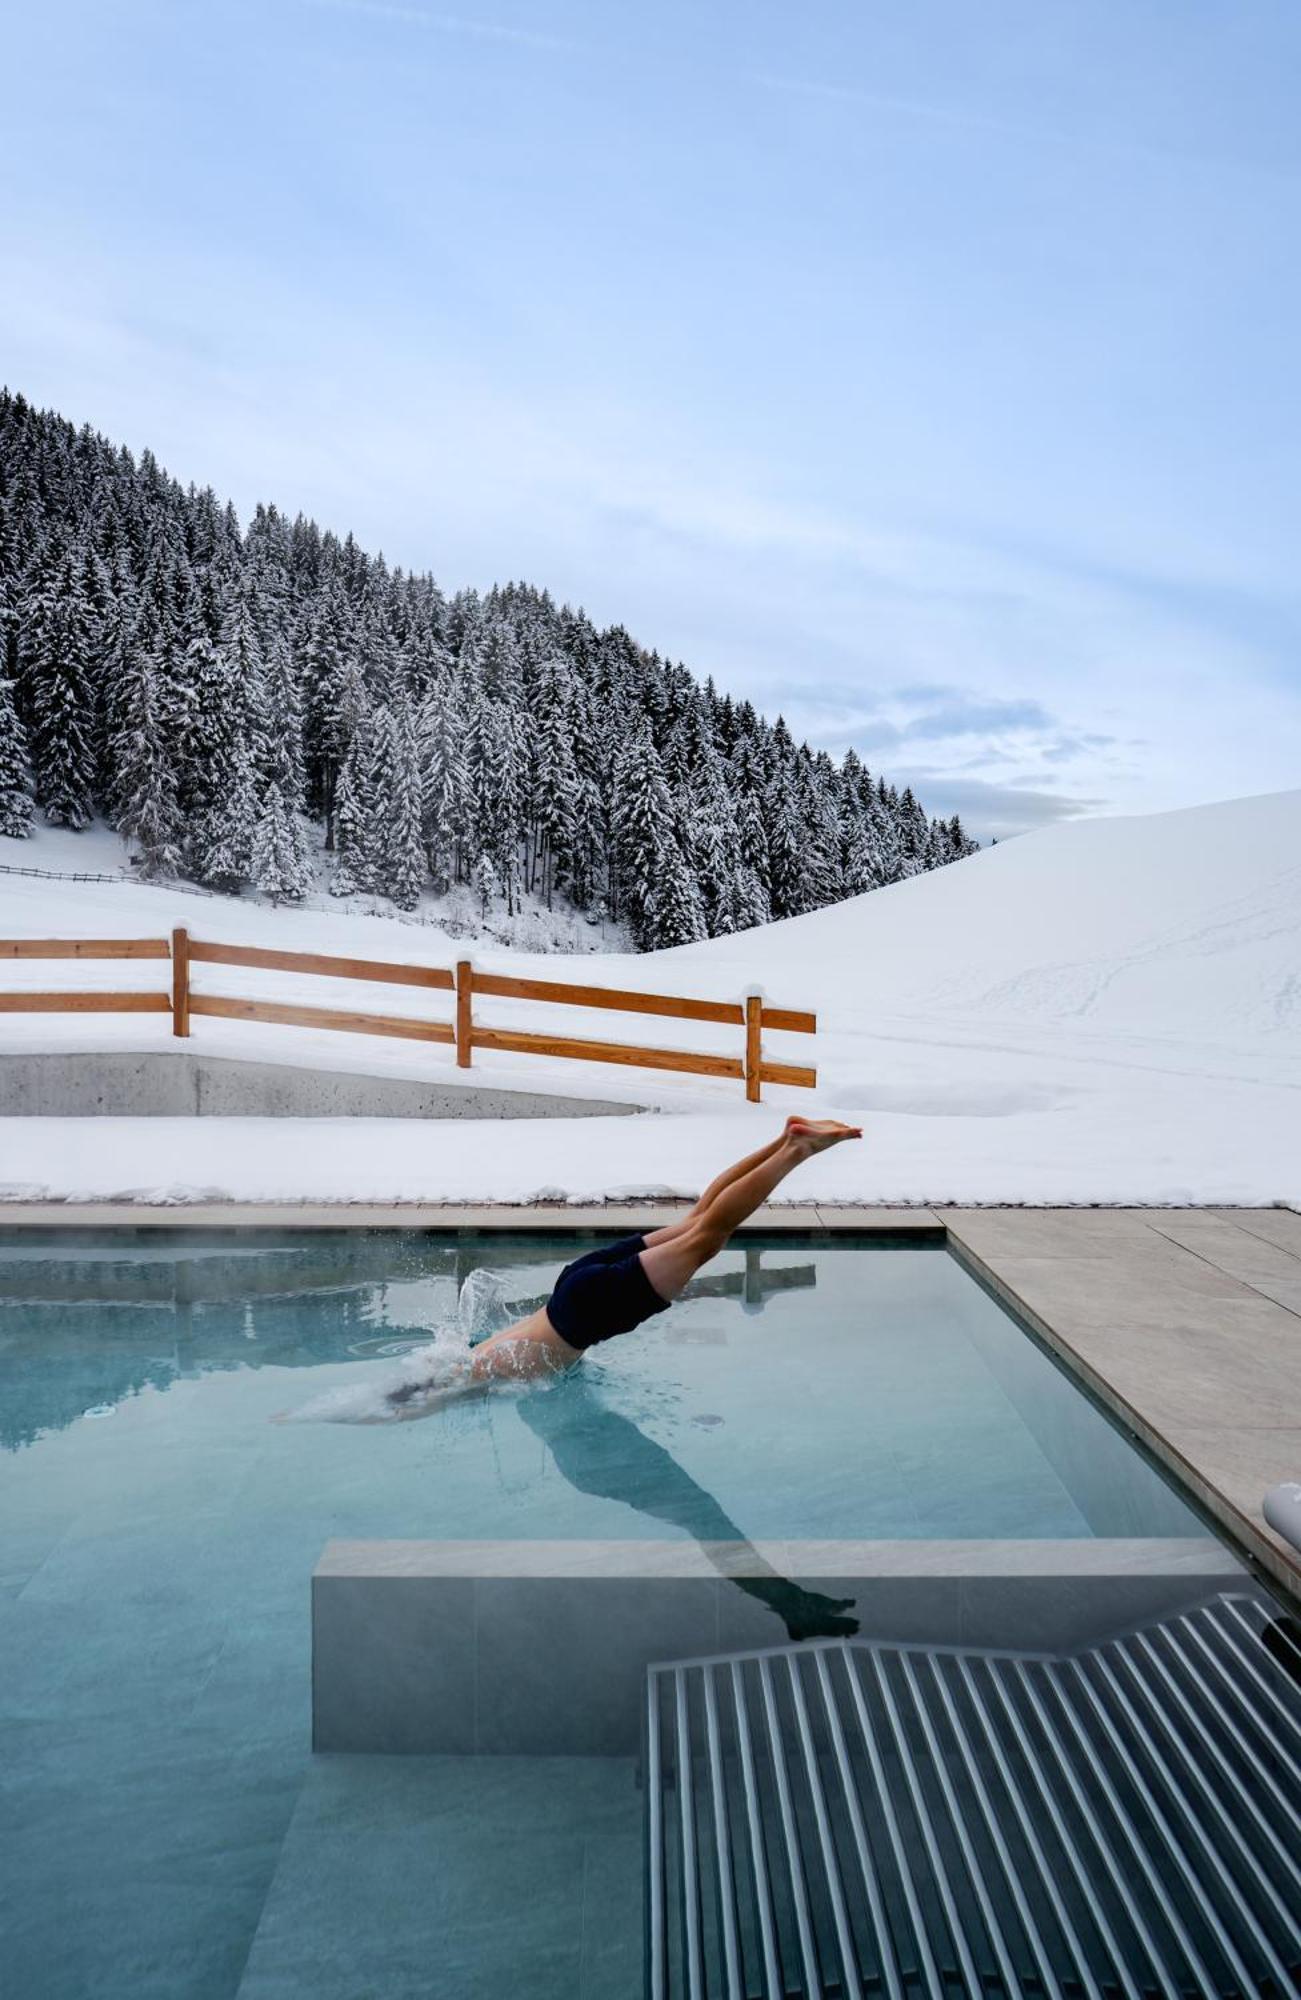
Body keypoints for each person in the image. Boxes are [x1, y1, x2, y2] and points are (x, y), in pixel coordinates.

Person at [466, 1114, 860, 1386]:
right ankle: (784, 1139)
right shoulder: (476, 1355)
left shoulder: (471, 1375)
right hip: (569, 1290)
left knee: (707, 1234)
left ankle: (796, 1149)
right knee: (699, 1220)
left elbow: (424, 1399)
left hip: (584, 1314)